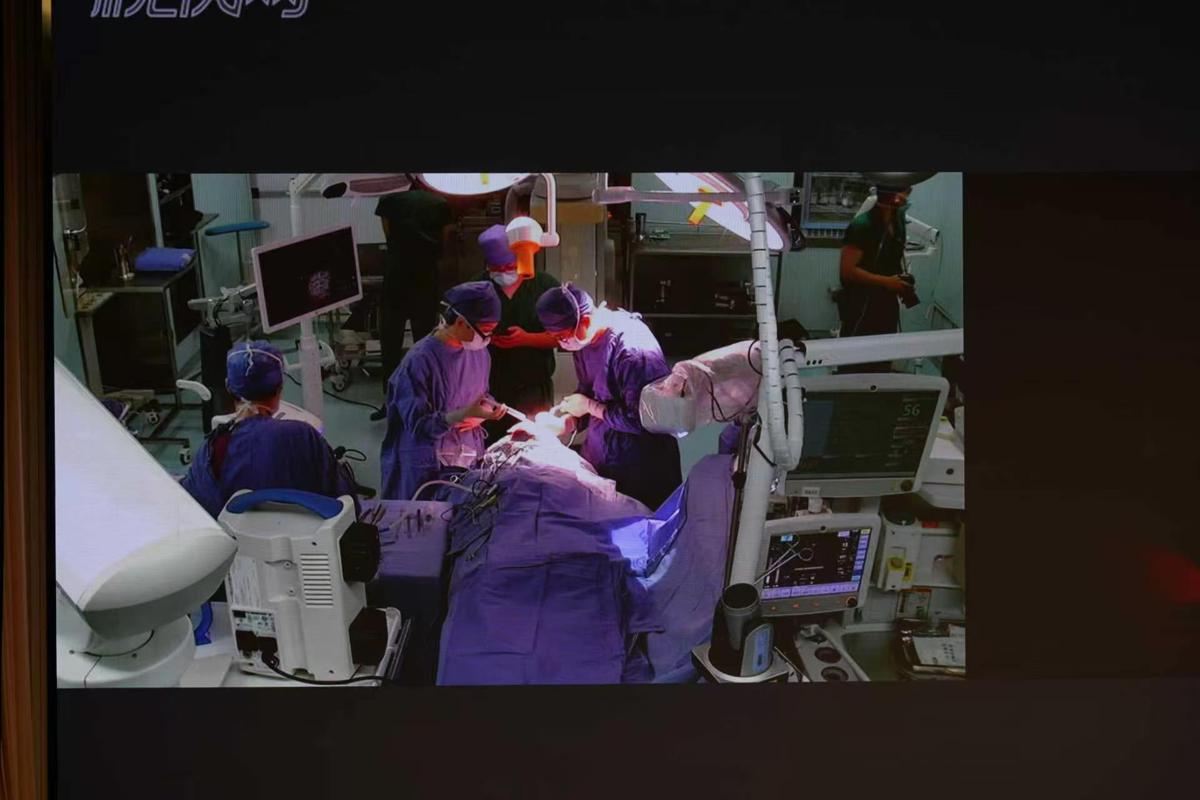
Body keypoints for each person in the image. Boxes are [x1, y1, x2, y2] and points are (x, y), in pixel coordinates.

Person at [535, 284, 682, 510]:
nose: (562, 342)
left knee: (639, 525)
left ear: (585, 321)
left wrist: (591, 407)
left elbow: (647, 419)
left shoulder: (633, 347)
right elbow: (589, 388)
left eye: (562, 336)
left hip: (641, 466)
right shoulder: (584, 341)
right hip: (603, 456)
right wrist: (568, 422)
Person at [180, 341, 359, 520]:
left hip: (238, 537)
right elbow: (346, 505)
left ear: (228, 386)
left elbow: (196, 510)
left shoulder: (213, 448)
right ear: (280, 387)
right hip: (304, 535)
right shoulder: (303, 436)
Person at [379, 281, 507, 501]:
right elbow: (418, 425)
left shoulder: (479, 353)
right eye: (485, 330)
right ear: (461, 322)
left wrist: (486, 410)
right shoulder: (418, 361)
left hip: (466, 457)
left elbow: (480, 393)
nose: (487, 338)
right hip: (426, 465)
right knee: (425, 517)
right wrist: (460, 415)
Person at [371, 188, 456, 418]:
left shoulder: (389, 199)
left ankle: (390, 403)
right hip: (425, 278)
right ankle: (425, 401)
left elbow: (387, 232)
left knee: (390, 346)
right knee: (424, 345)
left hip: (396, 277)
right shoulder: (439, 203)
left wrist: (400, 249)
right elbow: (446, 235)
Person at [474, 224, 562, 443]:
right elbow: (459, 334)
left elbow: (563, 338)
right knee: (490, 451)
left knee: (531, 450)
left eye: (509, 266)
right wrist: (485, 338)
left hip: (534, 389)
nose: (504, 273)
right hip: (488, 391)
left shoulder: (545, 287)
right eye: (496, 268)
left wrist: (527, 339)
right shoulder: (478, 289)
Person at [835, 184, 918, 373]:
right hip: (861, 304)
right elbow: (847, 271)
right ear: (893, 195)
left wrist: (901, 280)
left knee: (882, 357)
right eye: (904, 191)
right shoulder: (862, 226)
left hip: (886, 304)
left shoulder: (898, 220)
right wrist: (887, 282)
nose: (907, 196)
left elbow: (892, 257)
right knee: (855, 360)